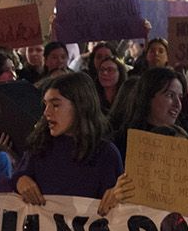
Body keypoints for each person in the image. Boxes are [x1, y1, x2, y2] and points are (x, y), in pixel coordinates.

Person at [14, 71, 123, 205]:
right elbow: (17, 176)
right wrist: (20, 180)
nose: (46, 112)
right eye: (46, 104)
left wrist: (116, 197)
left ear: (80, 106)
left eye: (55, 105)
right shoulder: (40, 144)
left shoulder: (106, 154)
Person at [111, 67, 187, 159]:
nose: (178, 104)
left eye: (180, 97)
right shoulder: (118, 143)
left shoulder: (184, 139)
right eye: (170, 95)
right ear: (148, 97)